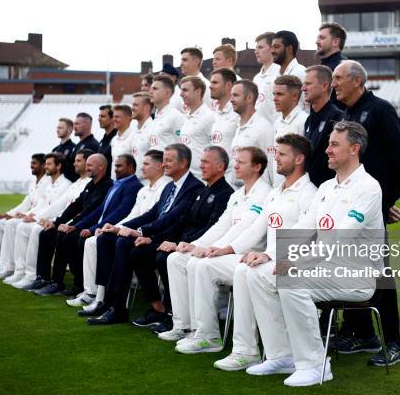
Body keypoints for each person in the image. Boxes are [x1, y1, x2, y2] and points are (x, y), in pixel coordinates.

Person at [244, 121, 383, 387]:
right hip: (323, 268)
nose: (327, 150)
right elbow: (301, 228)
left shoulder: (368, 187)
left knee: (292, 281)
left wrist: (296, 261)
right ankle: (282, 356)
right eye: (329, 143)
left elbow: (340, 238)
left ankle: (316, 365)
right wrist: (271, 254)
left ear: (354, 148)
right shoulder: (327, 187)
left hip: (355, 275)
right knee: (257, 274)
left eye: (334, 144)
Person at [176, 134, 316, 360]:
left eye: (281, 154)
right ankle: (209, 336)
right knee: (203, 265)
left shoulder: (309, 193)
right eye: (276, 153)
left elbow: (304, 235)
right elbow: (255, 229)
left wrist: (267, 254)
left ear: (299, 159)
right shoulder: (275, 193)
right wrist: (223, 249)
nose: (276, 159)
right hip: (265, 259)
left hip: (289, 263)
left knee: (242, 270)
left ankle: (247, 350)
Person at [330, 60, 400, 366]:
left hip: (369, 211)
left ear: (357, 81)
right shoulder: (347, 114)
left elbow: (398, 164)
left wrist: (381, 204)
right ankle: (361, 334)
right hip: (348, 208)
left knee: (380, 279)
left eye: (338, 78)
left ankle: (395, 344)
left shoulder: (380, 109)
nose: (333, 83)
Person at [161, 146, 271, 341]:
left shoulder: (264, 193)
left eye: (241, 162)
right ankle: (184, 326)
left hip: (250, 254)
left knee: (199, 264)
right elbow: (222, 226)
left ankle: (207, 334)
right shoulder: (237, 195)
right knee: (177, 258)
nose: (235, 165)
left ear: (257, 167)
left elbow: (247, 229)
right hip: (230, 251)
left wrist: (223, 249)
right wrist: (197, 246)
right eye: (235, 161)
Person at [87, 144, 204, 325]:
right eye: (164, 160)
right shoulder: (170, 187)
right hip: (157, 235)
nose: (165, 164)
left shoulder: (194, 187)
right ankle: (109, 301)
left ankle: (121, 308)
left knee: (127, 245)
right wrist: (119, 227)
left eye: (169, 160)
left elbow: (175, 218)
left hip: (173, 238)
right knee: (107, 238)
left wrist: (142, 232)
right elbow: (151, 214)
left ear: (184, 163)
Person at [129, 146, 234, 331]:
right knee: (139, 252)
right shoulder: (204, 191)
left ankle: (173, 314)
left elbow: (212, 228)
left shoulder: (225, 193)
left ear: (220, 166)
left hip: (198, 247)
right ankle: (158, 309)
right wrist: (153, 239)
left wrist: (179, 245)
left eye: (205, 162)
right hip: (184, 243)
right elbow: (181, 222)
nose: (200, 165)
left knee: (164, 258)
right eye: (201, 161)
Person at [75, 150, 170, 310]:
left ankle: (112, 303)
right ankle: (101, 298)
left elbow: (154, 218)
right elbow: (134, 214)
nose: (142, 168)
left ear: (159, 166)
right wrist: (116, 227)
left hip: (150, 235)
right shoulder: (144, 190)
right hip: (137, 231)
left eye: (146, 164)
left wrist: (128, 230)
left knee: (117, 242)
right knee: (103, 238)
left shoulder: (165, 187)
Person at [35, 155, 141, 297]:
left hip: (107, 229)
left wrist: (83, 228)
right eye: (115, 166)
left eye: (119, 166)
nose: (115, 169)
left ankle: (86, 289)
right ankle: (51, 280)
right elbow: (87, 208)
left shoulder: (129, 186)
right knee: (51, 233)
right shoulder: (108, 184)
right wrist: (61, 223)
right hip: (95, 226)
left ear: (130, 167)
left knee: (74, 238)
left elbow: (119, 213)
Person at [13, 149, 93, 291]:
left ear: (88, 162)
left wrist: (59, 223)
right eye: (75, 160)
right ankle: (41, 277)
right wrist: (40, 218)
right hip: (64, 221)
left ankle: (53, 281)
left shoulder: (88, 184)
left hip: (76, 224)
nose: (74, 164)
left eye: (78, 161)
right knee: (44, 232)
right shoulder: (76, 184)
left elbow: (81, 210)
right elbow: (60, 204)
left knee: (47, 232)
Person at [2, 153, 72, 287]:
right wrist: (29, 214)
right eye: (45, 163)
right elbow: (41, 205)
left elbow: (57, 207)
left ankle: (30, 275)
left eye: (49, 164)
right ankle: (18, 270)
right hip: (43, 217)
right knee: (14, 223)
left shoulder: (65, 184)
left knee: (30, 229)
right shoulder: (51, 185)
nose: (46, 166)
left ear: (59, 166)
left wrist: (36, 218)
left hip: (53, 219)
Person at [0, 154, 47, 275]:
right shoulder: (33, 182)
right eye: (31, 163)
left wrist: (23, 215)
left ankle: (9, 266)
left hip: (36, 217)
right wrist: (8, 213)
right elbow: (25, 203)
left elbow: (42, 205)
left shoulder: (47, 182)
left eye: (34, 163)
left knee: (11, 224)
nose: (31, 166)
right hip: (27, 215)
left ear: (43, 165)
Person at [302, 65, 345, 187]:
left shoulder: (338, 118)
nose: (303, 88)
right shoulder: (308, 120)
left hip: (329, 192)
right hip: (308, 192)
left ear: (325, 86)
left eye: (308, 84)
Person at [229, 80, 275, 186]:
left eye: (235, 95)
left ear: (249, 98)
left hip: (258, 194)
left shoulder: (264, 128)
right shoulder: (238, 126)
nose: (231, 100)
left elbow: (271, 166)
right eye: (231, 95)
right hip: (239, 193)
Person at [271, 75, 308, 187]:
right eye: (274, 94)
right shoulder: (277, 122)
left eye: (280, 94)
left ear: (295, 96)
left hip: (296, 188)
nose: (275, 99)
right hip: (278, 188)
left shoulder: (303, 121)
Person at [179, 76, 216, 179]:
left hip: (201, 178)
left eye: (185, 90)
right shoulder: (185, 116)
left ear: (198, 91)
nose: (181, 94)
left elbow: (215, 148)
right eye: (181, 90)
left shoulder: (209, 117)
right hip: (186, 176)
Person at [209, 68, 239, 164]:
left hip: (234, 176)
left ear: (228, 85)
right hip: (217, 175)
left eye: (215, 83)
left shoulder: (238, 113)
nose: (210, 86)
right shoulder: (214, 113)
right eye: (211, 83)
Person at [271, 30, 307, 111]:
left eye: (276, 47)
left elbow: (305, 109)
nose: (272, 51)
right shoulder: (274, 74)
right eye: (272, 47)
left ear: (289, 49)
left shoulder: (301, 73)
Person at [149, 75, 186, 152]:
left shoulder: (176, 117)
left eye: (155, 89)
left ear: (167, 93)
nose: (150, 92)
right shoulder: (155, 117)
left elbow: (183, 148)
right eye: (151, 88)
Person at [253, 32, 281, 124]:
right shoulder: (256, 78)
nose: (256, 51)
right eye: (256, 48)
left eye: (260, 47)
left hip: (275, 129)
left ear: (272, 48)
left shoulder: (280, 73)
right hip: (258, 130)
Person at [66, 112, 98, 181]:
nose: (74, 127)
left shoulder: (93, 145)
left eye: (77, 124)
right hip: (76, 184)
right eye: (74, 124)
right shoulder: (78, 145)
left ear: (88, 126)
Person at [130, 92, 154, 182]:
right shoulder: (134, 130)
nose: (132, 108)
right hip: (135, 183)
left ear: (146, 107)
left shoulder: (153, 129)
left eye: (135, 105)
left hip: (148, 183)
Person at [110, 104, 135, 180]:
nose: (114, 119)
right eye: (113, 117)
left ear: (128, 118)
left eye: (117, 117)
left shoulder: (134, 137)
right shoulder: (114, 139)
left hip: (128, 184)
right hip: (115, 183)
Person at [97, 105, 117, 178]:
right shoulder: (102, 140)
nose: (99, 119)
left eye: (102, 116)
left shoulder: (117, 138)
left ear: (112, 118)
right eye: (99, 116)